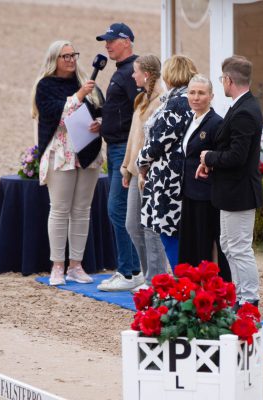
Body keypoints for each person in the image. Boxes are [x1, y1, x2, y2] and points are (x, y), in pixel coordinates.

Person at [32, 40, 104, 286]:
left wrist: (100, 123)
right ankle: (57, 266)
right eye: (65, 56)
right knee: (60, 209)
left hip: (88, 149)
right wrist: (79, 96)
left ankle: (76, 265)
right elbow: (54, 113)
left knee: (82, 210)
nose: (71, 59)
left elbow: (101, 110)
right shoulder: (45, 86)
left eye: (73, 55)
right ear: (55, 60)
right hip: (61, 151)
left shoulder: (85, 82)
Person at [197, 56, 263, 307]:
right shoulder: (240, 106)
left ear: (229, 80)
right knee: (228, 244)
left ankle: (249, 300)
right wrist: (210, 162)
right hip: (229, 189)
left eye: (222, 79)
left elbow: (237, 156)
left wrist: (209, 156)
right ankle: (240, 295)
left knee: (239, 248)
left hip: (240, 191)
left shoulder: (245, 111)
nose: (222, 83)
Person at [95, 23, 144, 291]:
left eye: (111, 40)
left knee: (118, 208)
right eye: (106, 41)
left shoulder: (131, 73)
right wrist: (103, 122)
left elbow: (140, 112)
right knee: (121, 209)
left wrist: (131, 153)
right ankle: (134, 270)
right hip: (114, 147)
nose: (107, 45)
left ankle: (128, 272)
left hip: (123, 149)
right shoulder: (122, 72)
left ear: (126, 41)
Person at [137, 55, 196, 269]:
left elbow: (158, 142)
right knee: (172, 234)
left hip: (169, 178)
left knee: (169, 233)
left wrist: (140, 162)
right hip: (174, 175)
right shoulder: (185, 100)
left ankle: (182, 283)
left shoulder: (178, 103)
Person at [120, 54, 167, 290]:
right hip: (136, 170)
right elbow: (133, 137)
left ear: (146, 74)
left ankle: (156, 279)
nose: (132, 75)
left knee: (151, 226)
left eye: (136, 71)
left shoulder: (161, 101)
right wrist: (127, 168)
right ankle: (149, 273)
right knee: (132, 224)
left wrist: (144, 168)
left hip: (151, 172)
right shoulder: (141, 100)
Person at [177, 74, 231, 282]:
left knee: (205, 243)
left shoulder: (216, 123)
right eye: (192, 92)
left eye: (201, 93)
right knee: (190, 243)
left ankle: (215, 289)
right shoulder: (191, 120)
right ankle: (190, 287)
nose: (196, 97)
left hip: (207, 194)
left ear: (211, 96)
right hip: (190, 191)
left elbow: (221, 157)